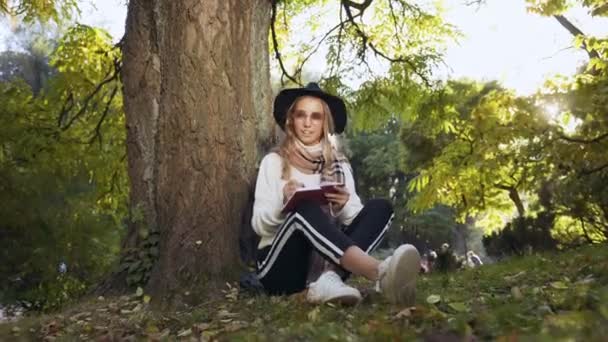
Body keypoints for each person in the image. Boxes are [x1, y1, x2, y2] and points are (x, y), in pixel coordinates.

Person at [251, 82, 421, 306]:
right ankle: (379, 271)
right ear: (291, 120)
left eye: (316, 116)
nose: (307, 123)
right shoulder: (273, 162)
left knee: (381, 208)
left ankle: (329, 279)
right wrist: (284, 203)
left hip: (325, 260)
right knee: (304, 206)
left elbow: (357, 221)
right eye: (301, 115)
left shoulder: (340, 165)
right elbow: (259, 225)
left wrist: (343, 206)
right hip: (281, 269)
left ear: (325, 122)